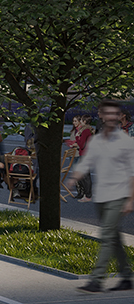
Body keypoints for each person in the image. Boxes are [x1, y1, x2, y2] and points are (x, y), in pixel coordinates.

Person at [65, 99, 134, 293]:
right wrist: (74, 177)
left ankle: (96, 280)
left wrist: (130, 199)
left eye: (115, 114)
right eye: (108, 113)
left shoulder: (126, 142)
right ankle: (127, 276)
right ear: (101, 115)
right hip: (101, 196)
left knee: (106, 235)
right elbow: (87, 163)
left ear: (119, 116)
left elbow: (132, 172)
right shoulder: (96, 141)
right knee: (114, 236)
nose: (112, 117)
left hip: (119, 196)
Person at [68, 113, 96, 201]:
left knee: (85, 176)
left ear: (84, 121)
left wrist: (77, 138)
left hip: (84, 154)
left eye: (80, 120)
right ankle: (86, 194)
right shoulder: (88, 130)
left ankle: (88, 195)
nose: (80, 122)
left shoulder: (85, 131)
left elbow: (81, 144)